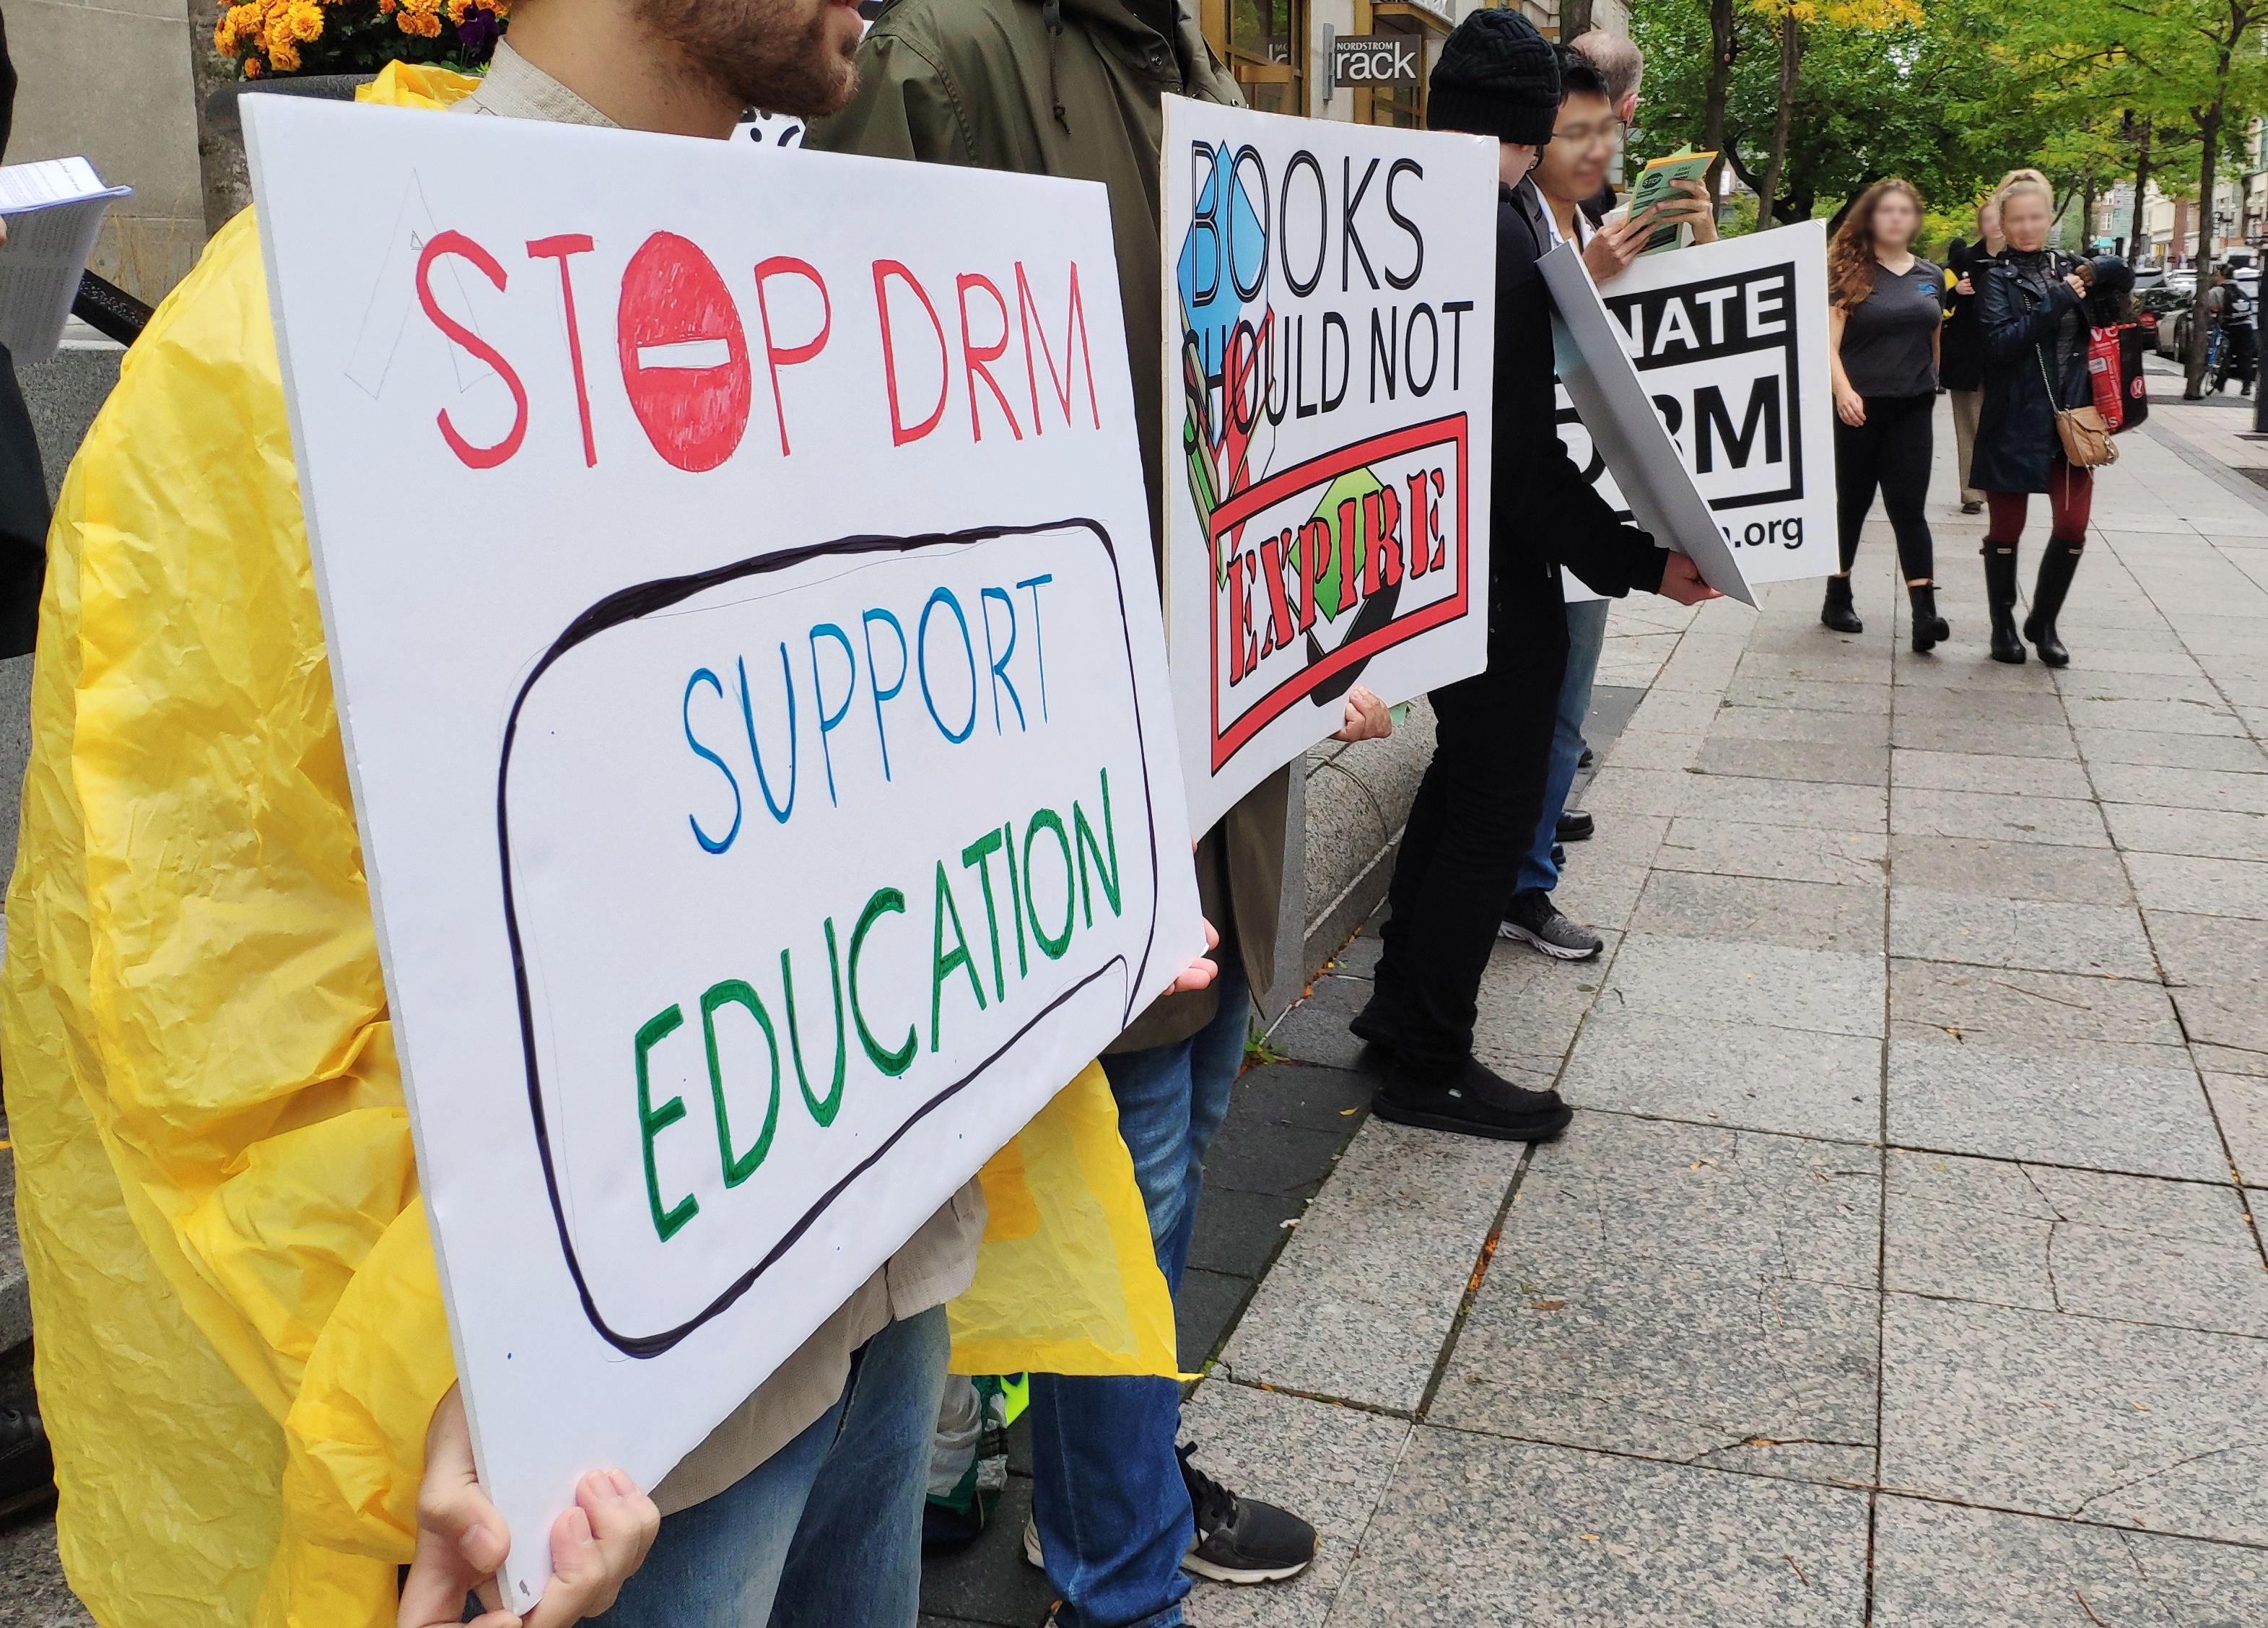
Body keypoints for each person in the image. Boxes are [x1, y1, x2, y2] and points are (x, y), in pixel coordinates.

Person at [1, 5, 1221, 1626]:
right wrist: (449, 1373)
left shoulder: (852, 268)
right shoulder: (286, 340)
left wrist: (1091, 892)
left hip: (878, 1290)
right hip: (622, 1458)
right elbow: (204, 1001)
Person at [806, 6, 1391, 1623]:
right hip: (1073, 759)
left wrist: (1325, 602)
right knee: (1126, 1168)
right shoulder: (948, 53)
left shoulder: (1188, 69)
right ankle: (1119, 1565)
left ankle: (1104, 1490)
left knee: (1177, 1139)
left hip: (1217, 747)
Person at [1350, 12, 1717, 1139]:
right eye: (1556, 127)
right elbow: (1520, 457)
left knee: (1464, 786)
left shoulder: (1433, 204)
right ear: (1518, 126)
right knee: (1494, 811)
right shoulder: (1497, 230)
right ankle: (1430, 1061)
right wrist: (1640, 560)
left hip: (1430, 555)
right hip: (1492, 570)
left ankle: (1396, 1008)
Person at [1499, 40, 1706, 962]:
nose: (1593, 144)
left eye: (1598, 124)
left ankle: (1526, 870)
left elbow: (1695, 319)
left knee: (1562, 708)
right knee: (1534, 709)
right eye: (1570, 126)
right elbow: (1506, 351)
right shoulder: (1512, 224)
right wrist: (1587, 279)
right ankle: (1519, 880)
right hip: (1537, 502)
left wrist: (1698, 234)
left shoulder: (1591, 222)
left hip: (1586, 493)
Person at [1969, 167, 2094, 668]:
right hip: (2014, 418)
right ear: (2002, 223)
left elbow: (2116, 298)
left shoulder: (2073, 265)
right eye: (2016, 219)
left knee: (2073, 527)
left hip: (2072, 419)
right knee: (2007, 528)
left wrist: (2104, 274)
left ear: (2049, 217)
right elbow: (1999, 345)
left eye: (2035, 217)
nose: (2026, 227)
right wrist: (2060, 297)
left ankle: (2043, 622)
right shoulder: (1993, 278)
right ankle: (2003, 626)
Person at [1820, 178, 1950, 654]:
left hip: (1912, 408)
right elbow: (1827, 345)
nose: (1896, 218)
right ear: (1872, 218)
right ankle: (1838, 595)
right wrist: (1844, 392)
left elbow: (1934, 336)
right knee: (1851, 505)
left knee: (1908, 508)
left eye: (1905, 210)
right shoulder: (1846, 273)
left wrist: (1931, 379)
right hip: (1858, 409)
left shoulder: (1932, 276)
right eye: (1887, 210)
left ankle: (1924, 614)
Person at [1943, 199, 2003, 515]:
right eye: (1988, 219)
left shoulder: (2019, 259)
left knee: (2000, 424)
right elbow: (1939, 300)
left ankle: (2001, 487)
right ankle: (1972, 493)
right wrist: (1958, 294)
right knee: (1968, 423)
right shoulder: (1965, 258)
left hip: (2006, 355)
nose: (1995, 224)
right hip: (1967, 354)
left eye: (1999, 218)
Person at [2208, 264, 2257, 396]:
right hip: (2246, 328)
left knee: (2226, 357)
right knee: (2245, 358)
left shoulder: (2217, 291)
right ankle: (2246, 386)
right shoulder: (2241, 291)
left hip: (2230, 329)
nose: (2216, 278)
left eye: (2218, 275)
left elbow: (2211, 309)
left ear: (2222, 276)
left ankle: (2220, 385)